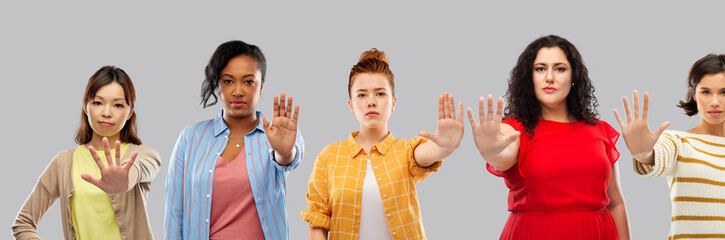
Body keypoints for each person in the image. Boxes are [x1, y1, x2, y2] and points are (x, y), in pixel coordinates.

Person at [469, 35, 631, 240]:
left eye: (560, 68)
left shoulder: (600, 130)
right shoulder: (514, 130)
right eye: (540, 69)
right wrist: (490, 148)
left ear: (574, 77)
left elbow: (615, 202)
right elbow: (502, 153)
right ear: (530, 77)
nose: (549, 77)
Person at [301, 48, 463, 240]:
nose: (371, 102)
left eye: (380, 94)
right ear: (351, 105)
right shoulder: (328, 157)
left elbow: (428, 153)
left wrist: (445, 146)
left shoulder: (406, 151)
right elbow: (317, 221)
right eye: (361, 95)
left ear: (393, 102)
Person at [617, 54, 725, 239]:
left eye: (724, 92)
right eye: (706, 92)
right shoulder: (677, 141)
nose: (715, 101)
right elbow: (655, 158)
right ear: (694, 94)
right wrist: (642, 152)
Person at [164, 40, 304, 240]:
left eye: (248, 81)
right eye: (228, 81)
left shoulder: (280, 134)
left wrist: (283, 152)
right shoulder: (190, 137)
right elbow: (174, 211)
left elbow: (289, 159)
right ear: (218, 84)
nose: (238, 91)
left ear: (261, 85)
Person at [12, 66, 161, 240]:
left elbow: (140, 169)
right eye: (97, 103)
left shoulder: (144, 154)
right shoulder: (63, 162)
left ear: (130, 112)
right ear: (85, 105)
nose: (106, 113)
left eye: (118, 105)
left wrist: (126, 179)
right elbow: (24, 223)